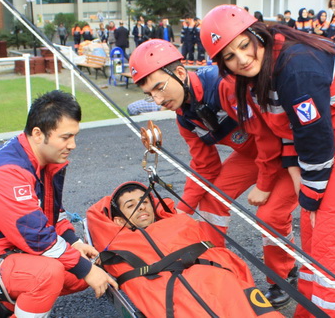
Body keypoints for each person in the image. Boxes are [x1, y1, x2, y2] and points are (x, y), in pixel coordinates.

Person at [200, 5, 335, 317]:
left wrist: (309, 195)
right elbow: (287, 128)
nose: (241, 59)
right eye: (229, 56)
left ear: (259, 34)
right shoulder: (267, 67)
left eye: (244, 45)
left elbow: (314, 140)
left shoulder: (295, 66)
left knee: (331, 243)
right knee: (312, 236)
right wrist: (302, 184)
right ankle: (308, 311)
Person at [128, 39, 299, 308]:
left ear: (180, 73)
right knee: (211, 203)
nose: (158, 101)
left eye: (160, 88)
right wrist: (183, 209)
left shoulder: (223, 85)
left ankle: (284, 276)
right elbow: (205, 165)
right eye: (151, 95)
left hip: (287, 150)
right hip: (251, 155)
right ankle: (215, 267)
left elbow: (266, 135)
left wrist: (264, 185)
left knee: (270, 215)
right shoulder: (184, 117)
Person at [0, 91, 117, 318]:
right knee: (49, 274)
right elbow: (36, 236)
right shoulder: (10, 173)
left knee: (76, 274)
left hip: (1, 247)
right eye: (65, 137)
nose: (73, 145)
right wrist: (86, 269)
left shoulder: (36, 158)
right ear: (37, 133)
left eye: (75, 136)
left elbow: (49, 213)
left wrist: (74, 242)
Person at [86, 181, 282, 317]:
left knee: (238, 302)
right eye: (131, 205)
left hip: (211, 274)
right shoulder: (118, 242)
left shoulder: (179, 222)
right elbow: (97, 220)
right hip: (163, 289)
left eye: (144, 201)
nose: (141, 207)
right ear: (119, 220)